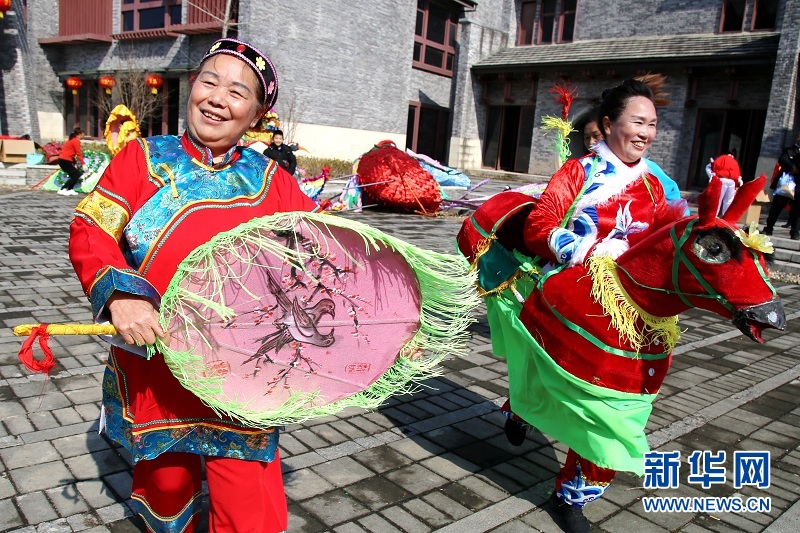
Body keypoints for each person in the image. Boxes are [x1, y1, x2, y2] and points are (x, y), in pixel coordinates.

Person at [67, 38, 316, 532]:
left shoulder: (275, 183)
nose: (217, 97)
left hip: (245, 367)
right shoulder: (142, 160)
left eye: (237, 91)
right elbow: (91, 228)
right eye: (209, 81)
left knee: (248, 492)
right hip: (158, 355)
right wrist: (122, 296)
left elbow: (322, 260)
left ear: (257, 114)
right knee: (166, 482)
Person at [500, 78, 685, 533]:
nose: (646, 132)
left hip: (636, 308)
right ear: (608, 124)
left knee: (620, 405)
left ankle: (572, 495)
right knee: (557, 372)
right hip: (574, 285)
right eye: (637, 122)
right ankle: (522, 404)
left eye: (653, 124)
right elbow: (539, 226)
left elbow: (675, 237)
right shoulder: (579, 171)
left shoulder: (660, 182)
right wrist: (585, 250)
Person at [581, 107, 686, 213]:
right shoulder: (581, 168)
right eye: (586, 137)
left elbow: (675, 203)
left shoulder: (645, 168)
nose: (591, 143)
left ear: (608, 129)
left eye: (596, 136)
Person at [764, 132, 800, 239]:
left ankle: (795, 232)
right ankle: (769, 227)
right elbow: (783, 159)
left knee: (797, 210)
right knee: (776, 207)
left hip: (798, 186)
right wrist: (792, 167)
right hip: (785, 184)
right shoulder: (789, 150)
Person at [705, 151, 742, 216]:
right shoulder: (735, 162)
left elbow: (715, 166)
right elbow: (738, 174)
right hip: (732, 181)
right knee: (729, 201)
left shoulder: (722, 158)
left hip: (722, 179)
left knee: (718, 198)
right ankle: (726, 217)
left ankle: (714, 216)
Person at [57, 127, 85, 196]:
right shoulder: (76, 141)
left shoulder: (72, 140)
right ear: (79, 135)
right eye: (83, 133)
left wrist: (74, 163)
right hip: (64, 161)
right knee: (77, 174)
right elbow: (78, 153)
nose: (84, 135)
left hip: (64, 160)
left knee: (75, 175)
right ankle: (63, 189)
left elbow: (72, 154)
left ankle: (70, 189)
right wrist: (83, 164)